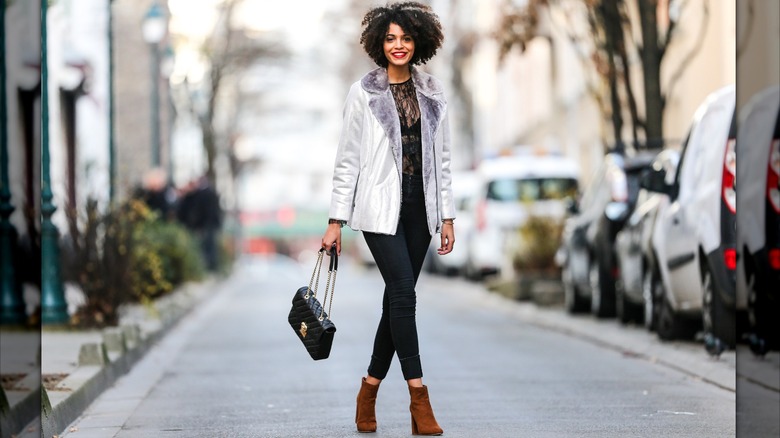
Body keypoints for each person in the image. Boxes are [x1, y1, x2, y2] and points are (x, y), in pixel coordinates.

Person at [321, 3, 454, 435]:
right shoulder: (363, 93)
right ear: (380, 42)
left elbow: (444, 161)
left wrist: (447, 216)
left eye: (406, 38)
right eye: (391, 38)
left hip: (421, 211)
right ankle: (420, 397)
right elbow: (347, 161)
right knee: (403, 293)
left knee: (395, 302)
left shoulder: (433, 92)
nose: (399, 45)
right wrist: (336, 220)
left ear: (419, 43)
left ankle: (369, 390)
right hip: (379, 212)